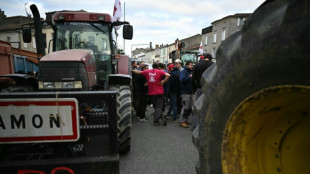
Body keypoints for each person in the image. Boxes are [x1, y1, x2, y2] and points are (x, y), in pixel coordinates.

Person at [179, 61, 194, 128]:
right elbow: (182, 80)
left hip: (190, 92)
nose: (192, 66)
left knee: (189, 108)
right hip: (185, 92)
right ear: (187, 65)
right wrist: (190, 76)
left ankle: (185, 119)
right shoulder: (183, 71)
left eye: (192, 65)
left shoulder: (190, 71)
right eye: (191, 65)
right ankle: (182, 121)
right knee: (185, 107)